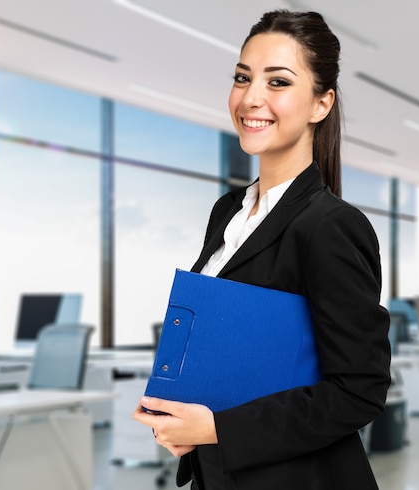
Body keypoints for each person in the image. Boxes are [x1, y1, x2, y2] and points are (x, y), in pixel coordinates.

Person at [132, 9, 391, 490]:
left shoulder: (331, 227)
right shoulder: (227, 210)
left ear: (321, 103)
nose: (251, 97)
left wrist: (216, 429)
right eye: (242, 77)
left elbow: (360, 390)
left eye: (278, 82)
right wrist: (178, 420)